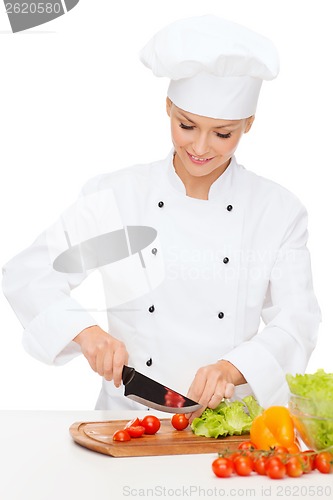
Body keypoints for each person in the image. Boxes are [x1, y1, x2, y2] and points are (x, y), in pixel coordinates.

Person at [2, 15, 321, 420]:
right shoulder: (117, 196)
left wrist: (234, 368)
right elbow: (28, 274)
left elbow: (297, 321)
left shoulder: (278, 211)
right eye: (186, 125)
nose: (201, 147)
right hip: (127, 419)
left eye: (223, 133)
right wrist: (86, 334)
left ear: (248, 124)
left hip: (224, 424)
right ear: (168, 106)